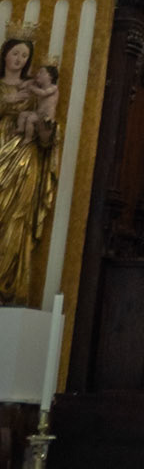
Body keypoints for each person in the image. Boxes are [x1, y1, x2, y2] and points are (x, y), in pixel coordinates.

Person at [0, 38, 56, 304]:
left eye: (24, 55)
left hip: (23, 155)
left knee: (15, 216)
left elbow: (45, 137)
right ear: (5, 55)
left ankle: (5, 282)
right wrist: (9, 100)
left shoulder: (34, 91)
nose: (19, 59)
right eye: (15, 53)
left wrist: (47, 126)